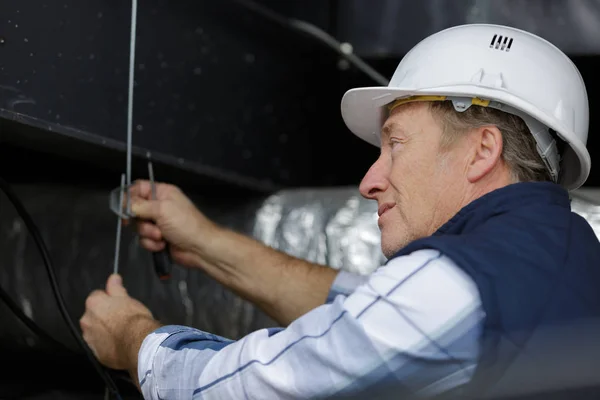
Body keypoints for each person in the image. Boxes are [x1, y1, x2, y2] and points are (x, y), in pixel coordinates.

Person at [80, 23, 600, 399]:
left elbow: (238, 388)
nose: (370, 181)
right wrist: (204, 242)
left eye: (395, 144)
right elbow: (358, 314)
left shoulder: (457, 286)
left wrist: (132, 340)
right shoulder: (560, 263)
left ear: (481, 151)